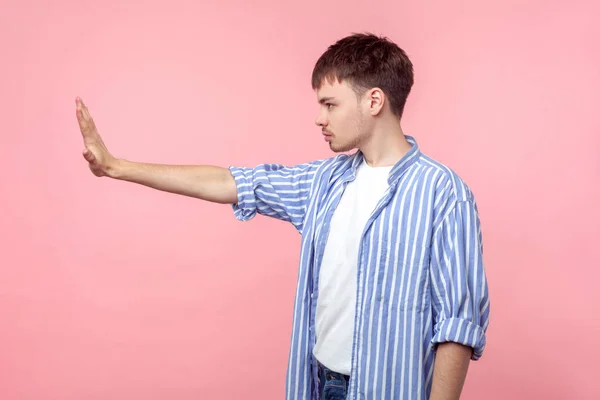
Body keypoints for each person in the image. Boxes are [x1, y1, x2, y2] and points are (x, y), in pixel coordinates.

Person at [76, 32, 490, 400]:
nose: (319, 118)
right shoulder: (324, 182)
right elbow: (230, 183)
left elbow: (457, 325)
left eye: (330, 103)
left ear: (374, 100)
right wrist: (117, 167)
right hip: (321, 384)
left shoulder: (443, 194)